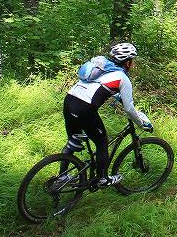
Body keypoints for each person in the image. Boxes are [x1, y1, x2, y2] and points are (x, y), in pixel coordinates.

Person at [61, 42, 152, 187]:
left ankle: (62, 177)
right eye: (133, 61)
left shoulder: (102, 66)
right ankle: (102, 179)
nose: (133, 64)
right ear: (128, 62)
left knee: (73, 141)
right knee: (102, 142)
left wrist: (118, 97)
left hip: (69, 100)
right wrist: (142, 124)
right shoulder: (122, 78)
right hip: (85, 108)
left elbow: (99, 86)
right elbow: (129, 109)